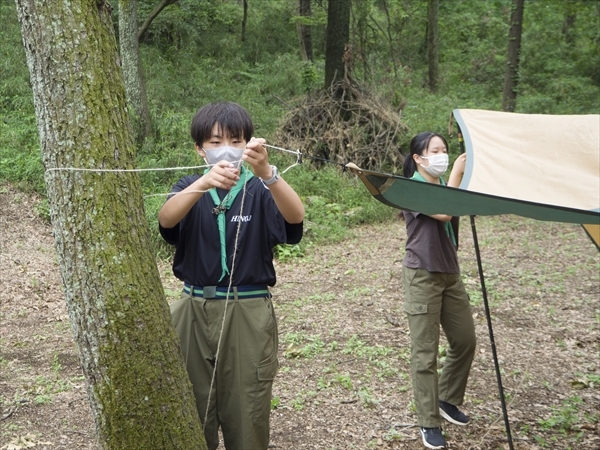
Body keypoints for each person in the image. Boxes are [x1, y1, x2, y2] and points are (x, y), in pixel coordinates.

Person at [158, 101, 304, 450]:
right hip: (193, 308)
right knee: (193, 409)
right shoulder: (190, 185)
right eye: (216, 141)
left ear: (250, 144)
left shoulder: (259, 190)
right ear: (199, 148)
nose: (227, 148)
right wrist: (204, 185)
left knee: (247, 408)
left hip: (248, 310)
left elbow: (295, 219)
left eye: (237, 141)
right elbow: (166, 220)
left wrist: (269, 173)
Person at [400, 132, 476, 449]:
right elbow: (445, 211)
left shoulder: (445, 186)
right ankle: (428, 423)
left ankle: (446, 399)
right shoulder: (410, 188)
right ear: (419, 158)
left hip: (449, 273)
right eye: (436, 150)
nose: (442, 155)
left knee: (465, 340)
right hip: (422, 274)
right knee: (425, 354)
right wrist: (458, 172)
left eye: (445, 150)